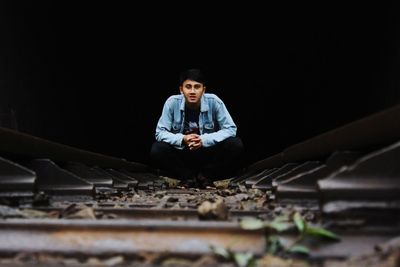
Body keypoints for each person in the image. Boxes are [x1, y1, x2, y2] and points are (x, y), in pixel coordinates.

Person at [150, 68, 244, 187]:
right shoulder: (172, 102)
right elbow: (160, 132)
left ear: (203, 90)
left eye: (197, 87)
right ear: (181, 90)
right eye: (188, 87)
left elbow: (231, 129)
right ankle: (187, 177)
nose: (192, 91)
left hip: (207, 152)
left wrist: (203, 140)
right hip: (183, 152)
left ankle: (205, 176)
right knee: (157, 148)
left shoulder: (214, 101)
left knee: (235, 144)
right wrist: (182, 139)